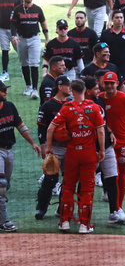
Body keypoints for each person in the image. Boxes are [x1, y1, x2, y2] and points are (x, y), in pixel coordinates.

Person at [47, 79, 104, 234]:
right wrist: (102, 150)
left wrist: (50, 148)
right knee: (87, 189)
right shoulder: (94, 108)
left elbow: (50, 128)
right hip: (89, 153)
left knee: (67, 187)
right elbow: (100, 131)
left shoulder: (66, 108)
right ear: (85, 90)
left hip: (72, 153)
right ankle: (84, 225)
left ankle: (64, 222)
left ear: (72, 91)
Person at [0, 80, 40, 231]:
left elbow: (20, 126)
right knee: (1, 185)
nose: (6, 92)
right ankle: (4, 222)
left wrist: (32, 143)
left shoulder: (10, 106)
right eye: (3, 90)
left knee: (6, 185)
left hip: (9, 151)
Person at [82, 75, 122, 224]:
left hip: (106, 146)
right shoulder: (80, 105)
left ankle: (113, 212)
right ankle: (79, 214)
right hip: (89, 148)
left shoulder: (99, 100)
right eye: (96, 88)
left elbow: (103, 122)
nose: (99, 90)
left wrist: (110, 132)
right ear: (87, 91)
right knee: (84, 182)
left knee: (112, 178)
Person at [100, 71, 125, 220]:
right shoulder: (99, 99)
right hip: (106, 144)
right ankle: (114, 209)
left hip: (122, 141)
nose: (109, 86)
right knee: (111, 176)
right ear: (103, 84)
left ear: (117, 84)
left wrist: (123, 127)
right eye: (106, 83)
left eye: (112, 83)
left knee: (121, 174)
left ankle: (118, 208)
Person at [35, 75, 70, 220]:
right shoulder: (48, 105)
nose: (70, 88)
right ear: (60, 87)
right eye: (68, 86)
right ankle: (41, 208)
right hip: (54, 148)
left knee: (68, 181)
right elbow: (41, 128)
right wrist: (43, 146)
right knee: (50, 179)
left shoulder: (71, 103)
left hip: (69, 148)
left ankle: (62, 208)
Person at [10, 0, 49, 99]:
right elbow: (12, 24)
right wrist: (13, 36)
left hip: (34, 39)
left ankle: (35, 90)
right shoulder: (17, 9)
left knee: (34, 63)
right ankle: (28, 86)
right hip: (21, 38)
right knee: (24, 63)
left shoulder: (37, 9)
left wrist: (47, 38)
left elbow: (43, 24)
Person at [100, 10, 125, 87]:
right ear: (112, 19)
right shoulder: (105, 33)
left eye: (121, 17)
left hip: (124, 66)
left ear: (123, 19)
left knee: (124, 87)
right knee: (109, 87)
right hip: (109, 65)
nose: (119, 20)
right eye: (117, 17)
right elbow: (101, 48)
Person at [0, 0, 21, 81]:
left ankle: (24, 68)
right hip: (2, 29)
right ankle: (5, 72)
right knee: (4, 50)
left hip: (15, 30)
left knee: (20, 50)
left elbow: (21, 12)